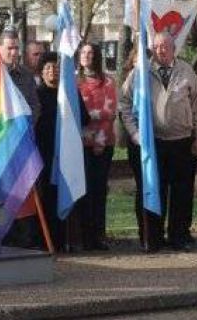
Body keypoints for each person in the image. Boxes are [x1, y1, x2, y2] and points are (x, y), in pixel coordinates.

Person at [120, 31, 197, 252]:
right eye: (157, 47)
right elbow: (125, 105)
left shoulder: (186, 71)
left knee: (182, 192)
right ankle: (152, 238)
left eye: (165, 46)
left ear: (173, 48)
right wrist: (135, 134)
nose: (161, 51)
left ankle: (180, 236)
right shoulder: (140, 73)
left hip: (182, 143)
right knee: (151, 191)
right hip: (152, 143)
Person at [35, 52, 88, 252]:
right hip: (45, 153)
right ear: (41, 72)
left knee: (66, 194)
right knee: (47, 197)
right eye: (48, 68)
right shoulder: (37, 94)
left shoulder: (70, 93)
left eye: (55, 68)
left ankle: (66, 241)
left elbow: (84, 118)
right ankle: (47, 241)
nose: (52, 71)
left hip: (67, 154)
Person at [77, 42, 117, 251]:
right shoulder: (75, 82)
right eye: (83, 52)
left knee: (99, 190)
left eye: (91, 52)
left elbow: (109, 113)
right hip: (80, 145)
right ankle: (83, 236)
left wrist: (99, 139)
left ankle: (99, 235)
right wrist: (92, 117)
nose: (87, 56)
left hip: (103, 144)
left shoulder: (108, 81)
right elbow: (76, 116)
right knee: (83, 191)